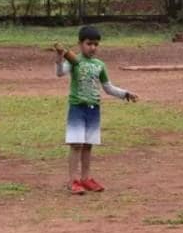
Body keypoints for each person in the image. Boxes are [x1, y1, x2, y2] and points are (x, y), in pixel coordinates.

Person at [55, 25, 139, 195]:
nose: (93, 47)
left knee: (88, 145)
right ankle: (73, 180)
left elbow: (107, 87)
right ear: (80, 44)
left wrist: (125, 94)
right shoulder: (74, 61)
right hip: (78, 107)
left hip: (93, 108)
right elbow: (59, 73)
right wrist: (59, 58)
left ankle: (86, 179)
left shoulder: (99, 65)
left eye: (96, 44)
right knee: (76, 145)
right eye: (89, 44)